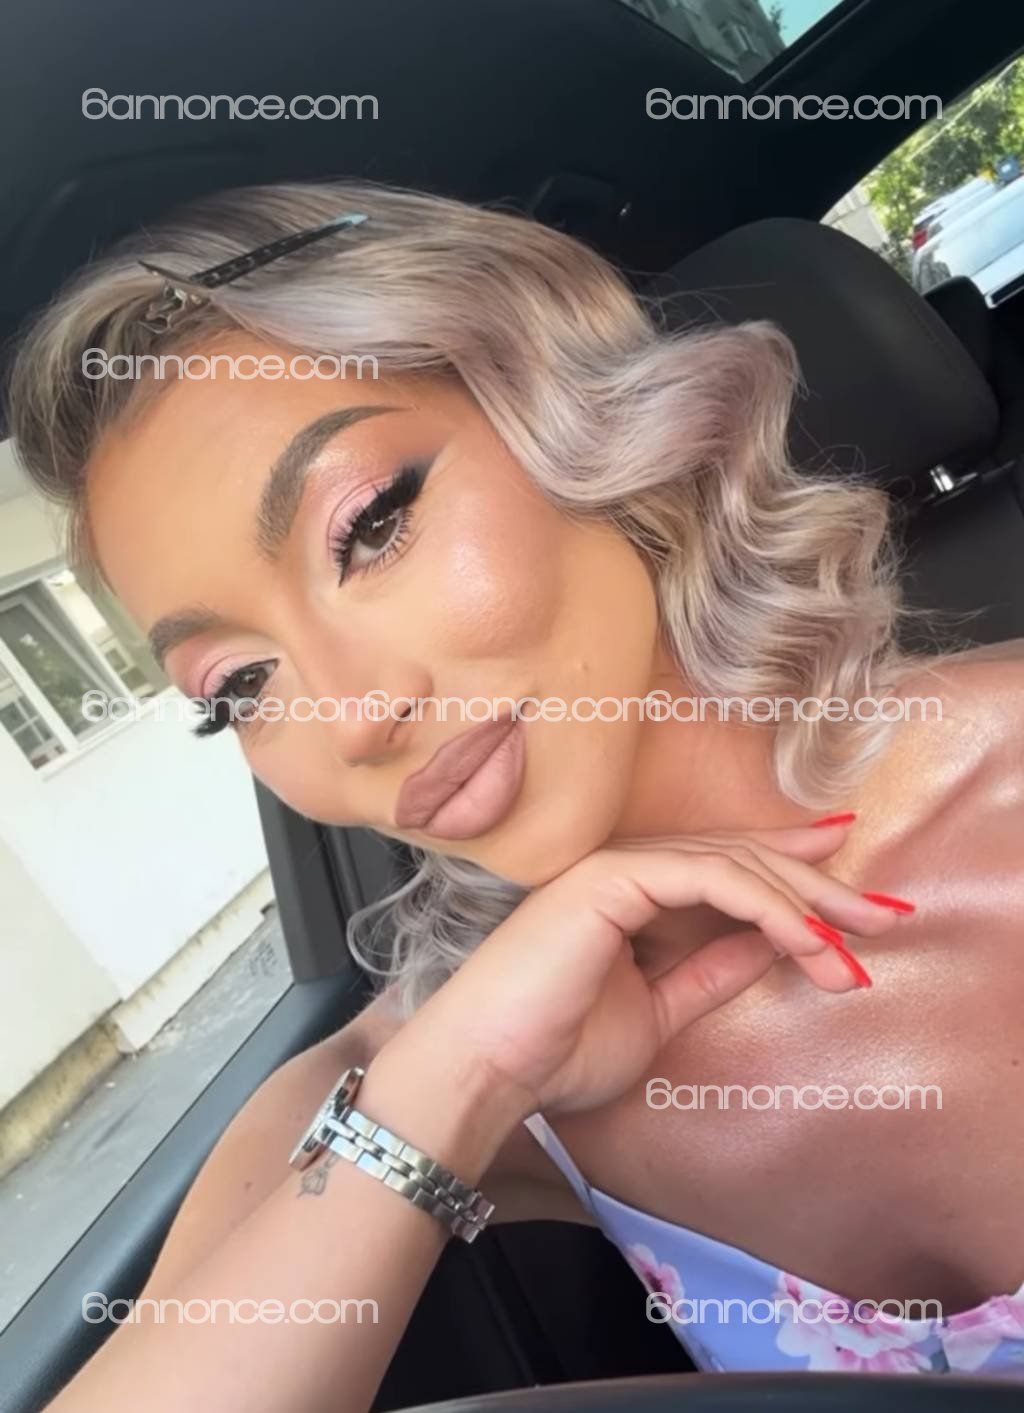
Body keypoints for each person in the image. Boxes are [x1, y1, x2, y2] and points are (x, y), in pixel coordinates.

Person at [5, 178, 1023, 1407]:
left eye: (371, 526)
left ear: (566, 415)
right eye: (240, 685)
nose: (354, 715)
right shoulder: (430, 1065)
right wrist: (462, 1085)